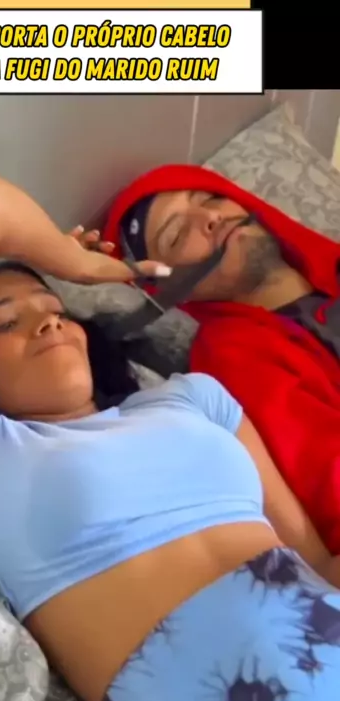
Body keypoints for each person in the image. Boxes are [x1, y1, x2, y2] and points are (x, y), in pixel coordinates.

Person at [0, 159, 340, 701]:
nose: (49, 320)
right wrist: (78, 266)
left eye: (56, 306)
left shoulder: (194, 399)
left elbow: (316, 562)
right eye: (5, 324)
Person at [102, 163, 340, 556]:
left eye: (211, 197)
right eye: (178, 234)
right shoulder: (235, 357)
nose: (210, 217)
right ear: (168, 288)